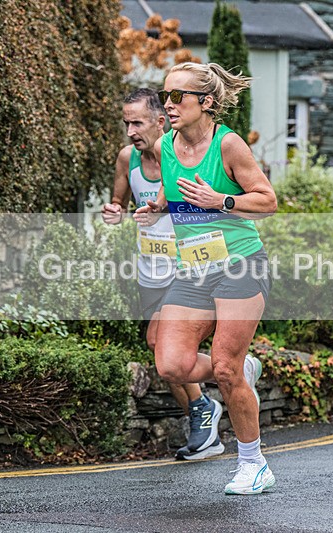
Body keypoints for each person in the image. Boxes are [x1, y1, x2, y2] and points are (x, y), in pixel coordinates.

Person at [135, 62, 277, 495]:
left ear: (207, 102)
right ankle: (239, 370)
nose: (168, 105)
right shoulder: (164, 146)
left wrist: (223, 200)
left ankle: (253, 464)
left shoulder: (228, 144)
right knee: (171, 362)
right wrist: (155, 207)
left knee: (224, 366)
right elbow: (172, 190)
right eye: (165, 96)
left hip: (240, 263)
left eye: (178, 96)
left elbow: (267, 200)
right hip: (193, 268)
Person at [102, 88, 226, 461]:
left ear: (160, 121)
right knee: (164, 358)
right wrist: (114, 214)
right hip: (149, 272)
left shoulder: (180, 156)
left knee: (159, 342)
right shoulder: (127, 159)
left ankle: (207, 404)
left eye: (137, 122)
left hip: (185, 267)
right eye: (126, 123)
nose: (130, 131)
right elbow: (120, 205)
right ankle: (205, 417)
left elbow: (208, 205)